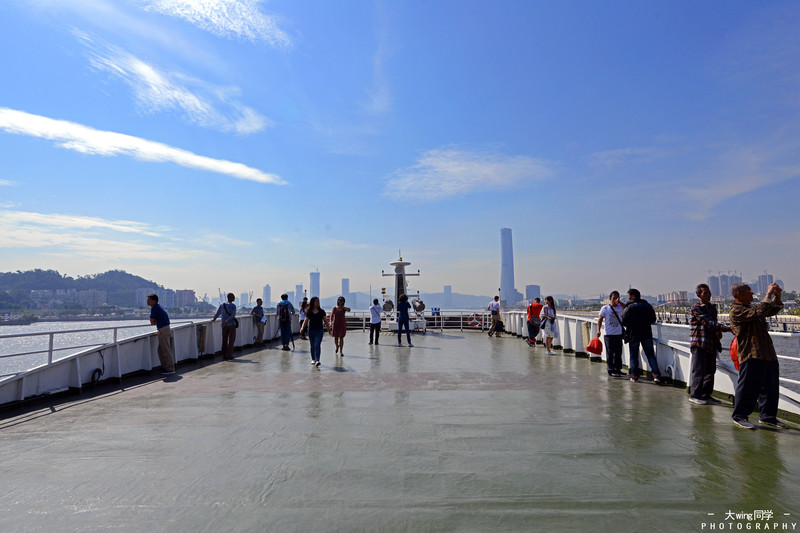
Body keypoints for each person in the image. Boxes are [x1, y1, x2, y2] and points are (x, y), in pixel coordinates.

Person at [730, 282, 789, 430]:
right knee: (748, 386)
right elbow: (760, 311)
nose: (752, 294)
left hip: (766, 352)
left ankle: (768, 416)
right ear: (739, 294)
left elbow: (770, 310)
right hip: (751, 352)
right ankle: (740, 416)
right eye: (749, 292)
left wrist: (777, 297)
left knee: (770, 386)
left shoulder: (751, 307)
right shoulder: (736, 310)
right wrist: (768, 294)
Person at [689, 283, 730, 405]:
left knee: (710, 370)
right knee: (699, 370)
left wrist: (718, 331)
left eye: (709, 292)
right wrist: (725, 328)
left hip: (711, 342)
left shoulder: (712, 307)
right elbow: (707, 322)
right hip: (699, 342)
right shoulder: (696, 308)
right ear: (698, 295)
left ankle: (706, 394)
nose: (708, 295)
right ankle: (695, 394)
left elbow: (714, 322)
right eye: (705, 293)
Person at [621, 288, 661, 383]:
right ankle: (656, 375)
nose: (628, 298)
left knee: (634, 355)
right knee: (650, 355)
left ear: (633, 296)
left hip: (633, 334)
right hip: (646, 333)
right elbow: (652, 319)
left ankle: (635, 376)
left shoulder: (629, 307)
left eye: (629, 296)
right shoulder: (647, 306)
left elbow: (623, 321)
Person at [597, 291, 625, 377]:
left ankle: (618, 369)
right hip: (609, 334)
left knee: (618, 352)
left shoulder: (620, 307)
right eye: (614, 298)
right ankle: (610, 370)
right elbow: (600, 319)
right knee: (610, 352)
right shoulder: (605, 308)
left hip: (618, 334)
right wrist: (598, 330)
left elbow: (627, 307)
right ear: (610, 299)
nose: (616, 299)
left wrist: (619, 302)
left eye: (617, 297)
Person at [147, 294, 175, 375]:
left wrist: (155, 321)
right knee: (160, 350)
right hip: (165, 329)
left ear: (154, 301)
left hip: (163, 330)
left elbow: (152, 321)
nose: (147, 301)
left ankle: (170, 368)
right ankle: (166, 367)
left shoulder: (155, 308)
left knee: (166, 350)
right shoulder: (158, 307)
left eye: (149, 300)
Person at [300, 296, 329, 367]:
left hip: (319, 331)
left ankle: (317, 360)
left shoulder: (322, 311)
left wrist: (329, 330)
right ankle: (313, 359)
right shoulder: (309, 312)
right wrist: (302, 328)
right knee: (312, 346)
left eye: (318, 301)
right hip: (311, 331)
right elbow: (306, 320)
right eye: (316, 301)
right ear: (313, 302)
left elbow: (325, 321)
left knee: (317, 345)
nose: (318, 302)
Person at [213, 293, 237, 360]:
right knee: (231, 340)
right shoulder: (233, 306)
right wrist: (227, 321)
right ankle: (229, 355)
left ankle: (224, 354)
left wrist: (214, 319)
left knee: (224, 340)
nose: (234, 298)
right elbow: (233, 315)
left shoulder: (222, 305)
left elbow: (218, 313)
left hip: (224, 326)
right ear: (230, 297)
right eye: (233, 297)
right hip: (231, 325)